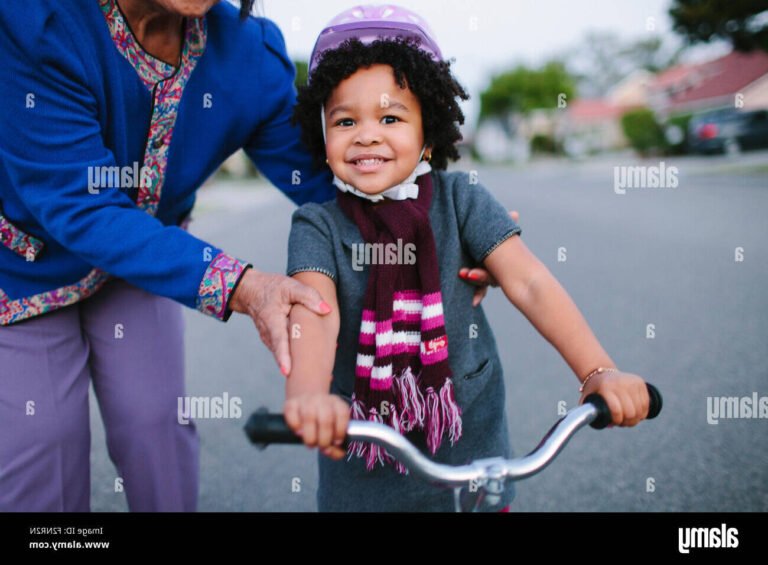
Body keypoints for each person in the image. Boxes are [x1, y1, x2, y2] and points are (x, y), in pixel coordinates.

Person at [0, 0, 499, 512]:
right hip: (21, 266)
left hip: (145, 264)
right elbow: (78, 202)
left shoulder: (245, 55)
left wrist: (439, 228)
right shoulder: (37, 24)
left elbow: (332, 183)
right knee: (44, 440)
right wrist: (243, 285)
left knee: (154, 423)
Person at [282, 5, 651, 512]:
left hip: (471, 446)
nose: (367, 134)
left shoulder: (462, 199)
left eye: (390, 117)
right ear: (322, 140)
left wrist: (598, 373)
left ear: (428, 134)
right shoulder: (316, 224)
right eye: (345, 120)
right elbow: (313, 313)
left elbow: (530, 282)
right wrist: (307, 393)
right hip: (360, 460)